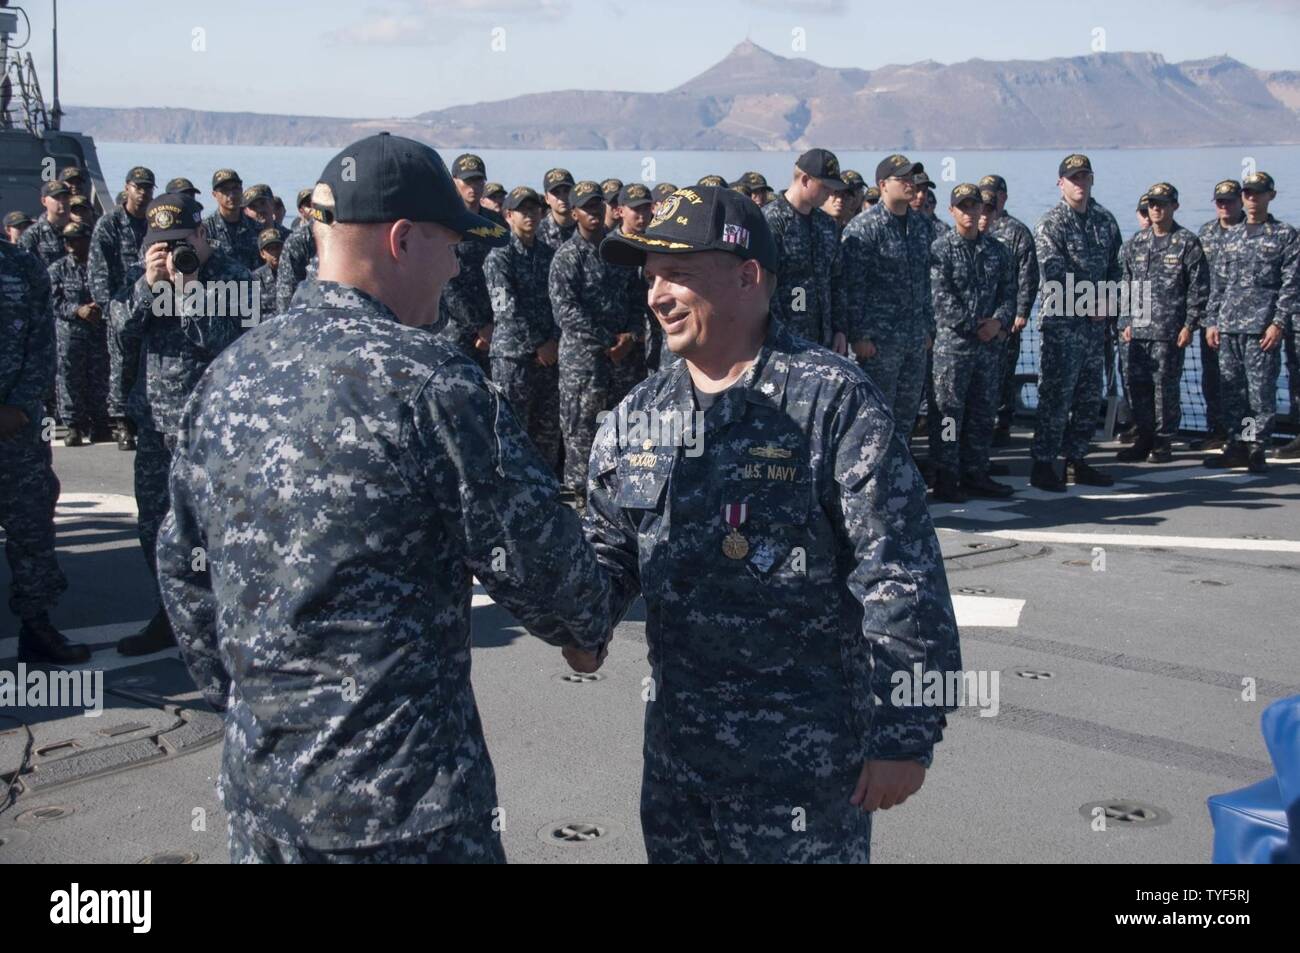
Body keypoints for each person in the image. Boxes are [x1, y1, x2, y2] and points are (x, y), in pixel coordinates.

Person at [156, 132, 610, 863]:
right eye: (452, 242)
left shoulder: (229, 375)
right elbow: (547, 566)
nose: (460, 261)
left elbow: (183, 573)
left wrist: (257, 711)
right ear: (402, 240)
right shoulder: (433, 384)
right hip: (404, 810)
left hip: (262, 797)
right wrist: (585, 628)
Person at [589, 185, 961, 863]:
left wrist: (905, 732)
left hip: (803, 768)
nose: (657, 295)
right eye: (650, 278)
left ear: (747, 274)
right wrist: (578, 619)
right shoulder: (640, 412)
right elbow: (610, 550)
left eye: (678, 275)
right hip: (680, 766)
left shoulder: (832, 400)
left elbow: (900, 572)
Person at [113, 193, 254, 656]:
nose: (173, 253)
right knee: (154, 523)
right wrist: (147, 288)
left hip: (212, 428)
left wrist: (190, 288)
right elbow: (121, 334)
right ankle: (169, 612)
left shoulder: (235, 278)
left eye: (179, 242)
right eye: (162, 245)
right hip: (156, 424)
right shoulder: (149, 279)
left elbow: (223, 345)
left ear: (200, 234)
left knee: (217, 528)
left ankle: (223, 618)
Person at [0, 238, 88, 663]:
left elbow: (42, 343)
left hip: (18, 427)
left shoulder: (21, 264)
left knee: (32, 526)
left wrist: (18, 404)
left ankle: (37, 626)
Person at [1029, 153, 1121, 491]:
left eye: (1084, 177)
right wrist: (1090, 302)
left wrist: (1110, 302)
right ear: (1060, 184)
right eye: (1073, 178)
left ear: (1092, 180)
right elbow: (1052, 273)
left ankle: (1077, 460)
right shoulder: (1050, 224)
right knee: (1056, 395)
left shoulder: (1105, 221)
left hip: (1095, 329)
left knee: (1087, 396)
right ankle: (1042, 463)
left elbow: (1117, 267)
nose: (1079, 184)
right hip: (1062, 327)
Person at [549, 180, 640, 503]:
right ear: (574, 213)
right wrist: (607, 341)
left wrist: (630, 335)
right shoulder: (567, 257)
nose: (593, 212)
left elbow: (635, 295)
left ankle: (616, 503)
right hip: (584, 365)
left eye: (597, 205)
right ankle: (579, 509)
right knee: (580, 436)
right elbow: (566, 311)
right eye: (586, 207)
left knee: (622, 433)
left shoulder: (615, 250)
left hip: (623, 363)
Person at [1203, 172, 1299, 472]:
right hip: (1229, 326)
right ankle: (1238, 445)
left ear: (1271, 195)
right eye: (1247, 193)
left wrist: (1278, 322)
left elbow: (1291, 284)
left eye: (1258, 193)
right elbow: (1218, 283)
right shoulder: (1230, 237)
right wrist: (1212, 321)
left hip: (1261, 329)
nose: (1252, 198)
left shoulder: (1284, 235)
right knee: (1234, 392)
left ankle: (1258, 447)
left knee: (1260, 392)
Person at [929, 184, 1017, 502]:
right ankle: (946, 476)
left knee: (982, 412)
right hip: (953, 348)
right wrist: (973, 326)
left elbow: (1010, 293)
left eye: (974, 206)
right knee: (950, 414)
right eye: (962, 206)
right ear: (952, 211)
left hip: (989, 347)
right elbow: (940, 297)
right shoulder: (939, 250)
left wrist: (997, 323)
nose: (969, 212)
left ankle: (976, 472)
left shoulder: (998, 250)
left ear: (984, 210)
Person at [842, 154, 933, 439]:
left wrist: (929, 328)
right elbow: (852, 286)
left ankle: (899, 479)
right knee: (875, 418)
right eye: (903, 179)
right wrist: (859, 335)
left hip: (914, 340)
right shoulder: (863, 229)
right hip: (879, 344)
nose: (911, 184)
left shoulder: (921, 227)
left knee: (905, 419)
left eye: (913, 178)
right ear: (882, 184)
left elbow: (925, 284)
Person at [1116, 182, 1208, 464]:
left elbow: (1198, 287)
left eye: (1162, 204)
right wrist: (1126, 321)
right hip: (1138, 330)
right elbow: (1126, 285)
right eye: (1152, 204)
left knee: (1164, 388)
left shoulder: (1187, 242)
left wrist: (1189, 325)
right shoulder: (1135, 244)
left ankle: (1163, 441)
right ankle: (1144, 437)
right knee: (1136, 385)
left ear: (1174, 207)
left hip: (1169, 330)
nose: (1156, 209)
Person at [485, 186, 562, 476]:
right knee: (512, 430)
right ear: (508, 215)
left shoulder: (549, 255)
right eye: (523, 210)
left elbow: (559, 300)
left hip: (549, 358)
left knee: (547, 432)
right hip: (513, 358)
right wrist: (538, 344)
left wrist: (553, 341)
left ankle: (546, 491)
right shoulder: (499, 257)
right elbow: (505, 307)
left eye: (534, 209)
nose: (530, 215)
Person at [89, 165, 155, 451]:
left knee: (145, 363)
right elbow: (98, 269)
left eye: (147, 188)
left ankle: (142, 418)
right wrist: (109, 308)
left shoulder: (154, 222)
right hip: (121, 305)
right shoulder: (110, 223)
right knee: (121, 365)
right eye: (138, 187)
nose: (142, 193)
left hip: (152, 304)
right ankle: (121, 423)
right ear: (127, 187)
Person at [762, 148, 849, 352]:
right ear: (805, 180)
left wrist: (840, 329)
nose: (830, 193)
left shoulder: (826, 225)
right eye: (826, 186)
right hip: (782, 341)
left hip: (823, 340)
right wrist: (780, 333)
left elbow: (837, 280)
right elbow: (763, 285)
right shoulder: (771, 221)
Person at [978, 174, 1040, 447]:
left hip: (1006, 319)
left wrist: (1021, 311)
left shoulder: (1017, 232)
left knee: (1004, 371)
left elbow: (1028, 275)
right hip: (978, 320)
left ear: (1003, 197)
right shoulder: (971, 230)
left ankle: (1002, 423)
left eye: (994, 196)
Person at [434, 154, 504, 372]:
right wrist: (478, 326)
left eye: (478, 181)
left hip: (495, 326)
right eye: (467, 181)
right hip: (456, 329)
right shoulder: (443, 222)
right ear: (454, 181)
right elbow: (447, 282)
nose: (473, 187)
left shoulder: (495, 223)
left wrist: (495, 323)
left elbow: (505, 272)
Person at [48, 221, 109, 446]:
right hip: (70, 335)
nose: (72, 245)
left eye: (77, 240)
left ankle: (100, 424)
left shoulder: (99, 267)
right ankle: (73, 425)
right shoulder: (57, 269)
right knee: (69, 380)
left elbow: (110, 293)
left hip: (97, 332)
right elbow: (52, 302)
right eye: (68, 241)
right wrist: (77, 310)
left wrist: (98, 307)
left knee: (99, 379)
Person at [1195, 180, 1245, 452]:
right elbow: (1197, 279)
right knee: (1213, 380)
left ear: (1241, 201)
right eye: (1220, 201)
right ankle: (1217, 431)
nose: (1225, 206)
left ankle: (1247, 439)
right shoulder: (1205, 234)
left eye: (1230, 200)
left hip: (1247, 325)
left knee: (1246, 387)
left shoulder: (1254, 232)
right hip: (1212, 322)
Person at [203, 168, 262, 270]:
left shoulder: (256, 228)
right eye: (225, 190)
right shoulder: (206, 229)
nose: (231, 195)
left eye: (235, 188)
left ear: (242, 190)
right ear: (214, 195)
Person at [19, 180, 72, 267]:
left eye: (65, 197)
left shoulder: (82, 230)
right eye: (56, 197)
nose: (62, 201)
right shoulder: (33, 235)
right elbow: (24, 267)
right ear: (44, 201)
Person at [538, 167, 577, 252]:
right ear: (547, 198)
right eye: (556, 193)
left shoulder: (587, 228)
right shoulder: (538, 233)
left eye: (567, 191)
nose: (562, 197)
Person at [252, 227, 284, 312]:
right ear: (262, 254)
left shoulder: (297, 272)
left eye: (278, 247)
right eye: (270, 249)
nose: (275, 253)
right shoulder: (255, 278)